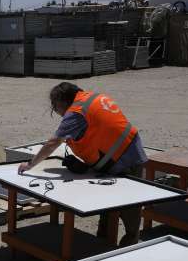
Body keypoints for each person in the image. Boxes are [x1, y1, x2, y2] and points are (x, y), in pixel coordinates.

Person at [18, 82, 150, 247]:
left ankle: (128, 251)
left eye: (55, 106)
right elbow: (100, 131)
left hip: (125, 160)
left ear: (62, 101)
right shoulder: (92, 99)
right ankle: (102, 245)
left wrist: (30, 164)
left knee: (129, 208)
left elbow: (53, 142)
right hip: (126, 153)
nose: (56, 110)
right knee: (109, 205)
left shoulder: (76, 112)